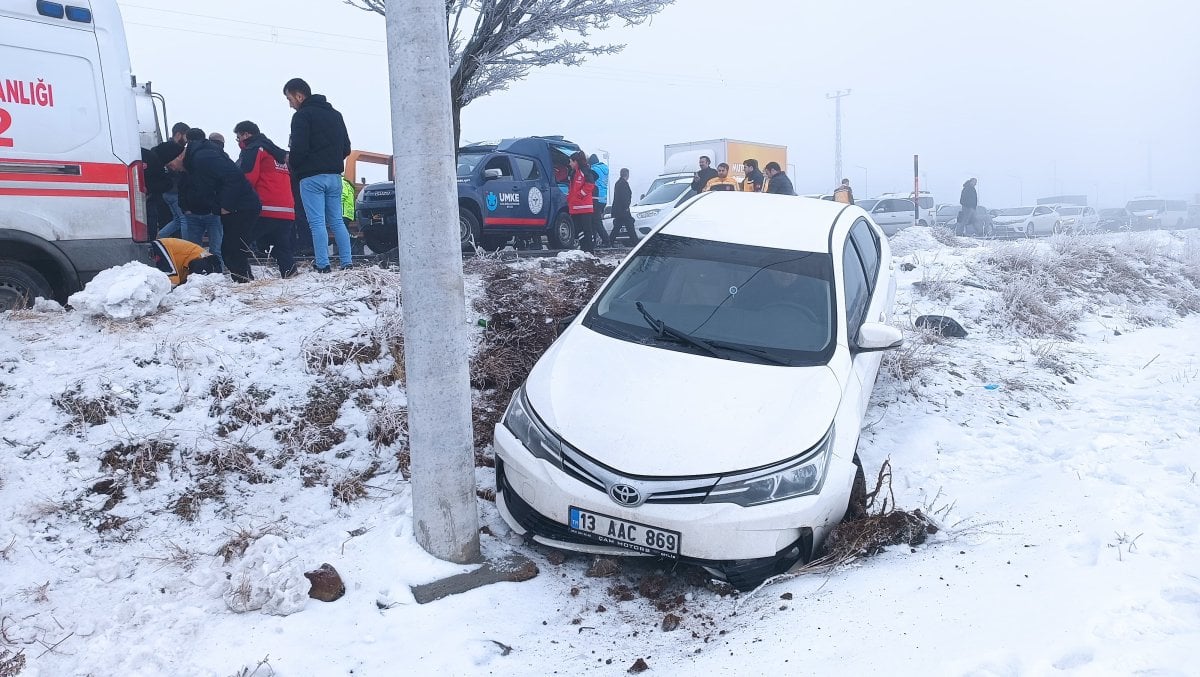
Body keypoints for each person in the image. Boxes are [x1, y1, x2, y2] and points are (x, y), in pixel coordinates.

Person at [166, 135, 262, 283]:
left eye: (170, 164)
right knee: (231, 249)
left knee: (232, 249)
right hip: (234, 206)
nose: (171, 169)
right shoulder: (195, 161)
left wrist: (225, 206)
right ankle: (244, 281)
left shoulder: (203, 158)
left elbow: (233, 177)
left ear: (178, 156)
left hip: (241, 206)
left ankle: (244, 282)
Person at [283, 77, 353, 272]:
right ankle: (347, 262)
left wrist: (294, 163)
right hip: (334, 177)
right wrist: (331, 160)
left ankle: (323, 264)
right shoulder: (336, 115)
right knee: (337, 221)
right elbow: (346, 148)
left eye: (289, 99)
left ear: (299, 95)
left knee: (316, 223)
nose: (290, 105)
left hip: (311, 178)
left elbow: (299, 149)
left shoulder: (301, 116)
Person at [234, 120, 296, 278]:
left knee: (238, 243)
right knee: (282, 247)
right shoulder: (278, 154)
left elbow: (248, 178)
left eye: (238, 137)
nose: (238, 141)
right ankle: (290, 275)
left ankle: (243, 278)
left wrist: (235, 201)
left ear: (246, 134)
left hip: (265, 208)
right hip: (287, 210)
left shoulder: (255, 149)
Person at [180, 128, 224, 269]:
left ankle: (198, 274)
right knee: (215, 250)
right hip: (208, 212)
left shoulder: (187, 159)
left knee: (195, 250)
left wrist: (185, 208)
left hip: (197, 211)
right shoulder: (217, 157)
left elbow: (182, 186)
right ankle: (218, 273)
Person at [151, 122, 191, 238]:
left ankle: (158, 238)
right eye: (186, 137)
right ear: (179, 135)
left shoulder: (158, 149)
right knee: (184, 219)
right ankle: (187, 245)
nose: (187, 141)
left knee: (177, 220)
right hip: (176, 191)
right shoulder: (179, 151)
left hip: (164, 191)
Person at [148, 237, 219, 286]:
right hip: (161, 245)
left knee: (173, 281)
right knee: (173, 280)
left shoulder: (196, 256)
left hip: (161, 246)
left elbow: (174, 281)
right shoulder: (199, 259)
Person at [567, 151, 599, 252]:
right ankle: (583, 247)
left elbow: (590, 184)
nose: (569, 164)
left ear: (575, 161)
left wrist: (580, 194)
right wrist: (569, 199)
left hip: (584, 207)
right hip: (575, 207)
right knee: (579, 229)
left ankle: (590, 249)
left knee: (587, 229)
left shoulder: (585, 171)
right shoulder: (573, 173)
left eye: (571, 161)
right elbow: (572, 189)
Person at [588, 153, 610, 247]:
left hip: (596, 198)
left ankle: (606, 241)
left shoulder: (594, 169)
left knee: (596, 221)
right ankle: (594, 241)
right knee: (594, 220)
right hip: (603, 199)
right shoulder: (605, 169)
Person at [610, 168, 636, 246]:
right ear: (627, 175)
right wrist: (626, 206)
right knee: (629, 225)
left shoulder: (618, 183)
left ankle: (609, 241)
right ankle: (635, 242)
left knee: (618, 226)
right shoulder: (623, 184)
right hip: (623, 210)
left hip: (619, 210)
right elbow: (624, 196)